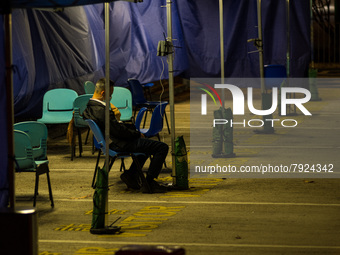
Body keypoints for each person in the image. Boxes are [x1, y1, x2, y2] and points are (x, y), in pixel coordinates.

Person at [83, 78, 169, 193]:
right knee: (162, 147)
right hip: (118, 144)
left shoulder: (89, 108)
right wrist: (137, 134)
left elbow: (116, 128)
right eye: (110, 95)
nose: (111, 97)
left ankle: (131, 175)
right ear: (103, 93)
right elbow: (118, 131)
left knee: (146, 147)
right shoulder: (102, 110)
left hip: (110, 142)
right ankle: (149, 182)